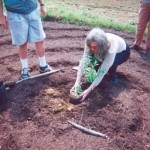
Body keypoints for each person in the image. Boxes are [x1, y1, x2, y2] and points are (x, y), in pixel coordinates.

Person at [70, 28, 130, 102]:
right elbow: (85, 60)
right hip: (103, 49)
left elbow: (102, 70)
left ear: (101, 46)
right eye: (90, 47)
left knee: (109, 66)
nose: (92, 49)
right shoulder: (90, 42)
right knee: (95, 62)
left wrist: (89, 90)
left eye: (94, 47)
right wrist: (77, 82)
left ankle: (112, 74)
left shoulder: (111, 49)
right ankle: (97, 71)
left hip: (122, 52)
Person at [0, 0, 52, 79]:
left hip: (32, 10)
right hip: (15, 13)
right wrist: (1, 16)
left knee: (40, 39)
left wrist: (42, 4)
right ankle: (25, 69)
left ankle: (43, 66)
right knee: (22, 43)